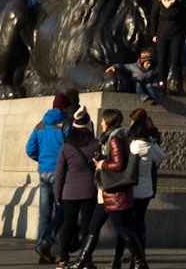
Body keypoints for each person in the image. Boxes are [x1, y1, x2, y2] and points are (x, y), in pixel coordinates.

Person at [74, 108, 140, 269]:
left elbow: (119, 164)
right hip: (106, 192)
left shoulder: (114, 139)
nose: (101, 123)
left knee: (124, 230)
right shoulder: (113, 137)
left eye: (103, 120)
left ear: (108, 121)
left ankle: (140, 261)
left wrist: (101, 164)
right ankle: (82, 261)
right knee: (94, 227)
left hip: (113, 193)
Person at [53, 108, 100, 269]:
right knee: (87, 226)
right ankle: (86, 260)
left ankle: (63, 259)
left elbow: (59, 173)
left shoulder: (66, 146)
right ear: (88, 125)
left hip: (69, 191)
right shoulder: (95, 144)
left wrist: (57, 194)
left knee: (68, 224)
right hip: (89, 190)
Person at [27, 95, 71, 264]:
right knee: (62, 210)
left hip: (43, 171)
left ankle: (42, 250)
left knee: (44, 213)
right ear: (64, 108)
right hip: (59, 173)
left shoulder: (40, 125)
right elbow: (71, 148)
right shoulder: (66, 125)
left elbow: (30, 148)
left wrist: (42, 159)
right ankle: (46, 244)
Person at [122, 107, 164, 269]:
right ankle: (139, 254)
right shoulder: (151, 144)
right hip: (147, 188)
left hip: (132, 188)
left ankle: (136, 254)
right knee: (139, 221)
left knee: (129, 223)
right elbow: (161, 156)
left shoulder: (133, 146)